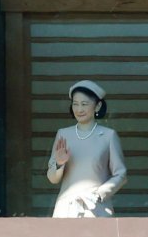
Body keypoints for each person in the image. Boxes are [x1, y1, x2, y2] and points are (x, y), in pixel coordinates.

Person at [46, 80, 128, 218]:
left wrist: (100, 194)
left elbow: (121, 175)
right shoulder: (63, 134)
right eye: (75, 104)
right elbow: (52, 178)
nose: (79, 109)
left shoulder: (108, 135)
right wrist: (59, 163)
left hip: (97, 208)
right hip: (66, 209)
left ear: (97, 106)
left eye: (84, 104)